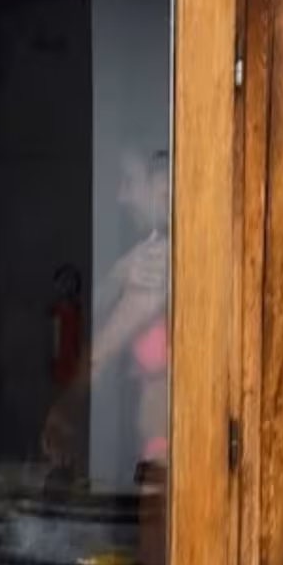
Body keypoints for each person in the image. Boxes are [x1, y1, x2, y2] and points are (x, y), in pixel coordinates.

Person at [41, 149, 172, 471]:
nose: (120, 197)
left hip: (167, 457)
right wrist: (117, 274)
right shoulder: (149, 252)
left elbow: (102, 348)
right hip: (154, 452)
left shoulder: (158, 259)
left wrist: (65, 407)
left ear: (163, 185)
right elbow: (91, 313)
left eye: (129, 182)